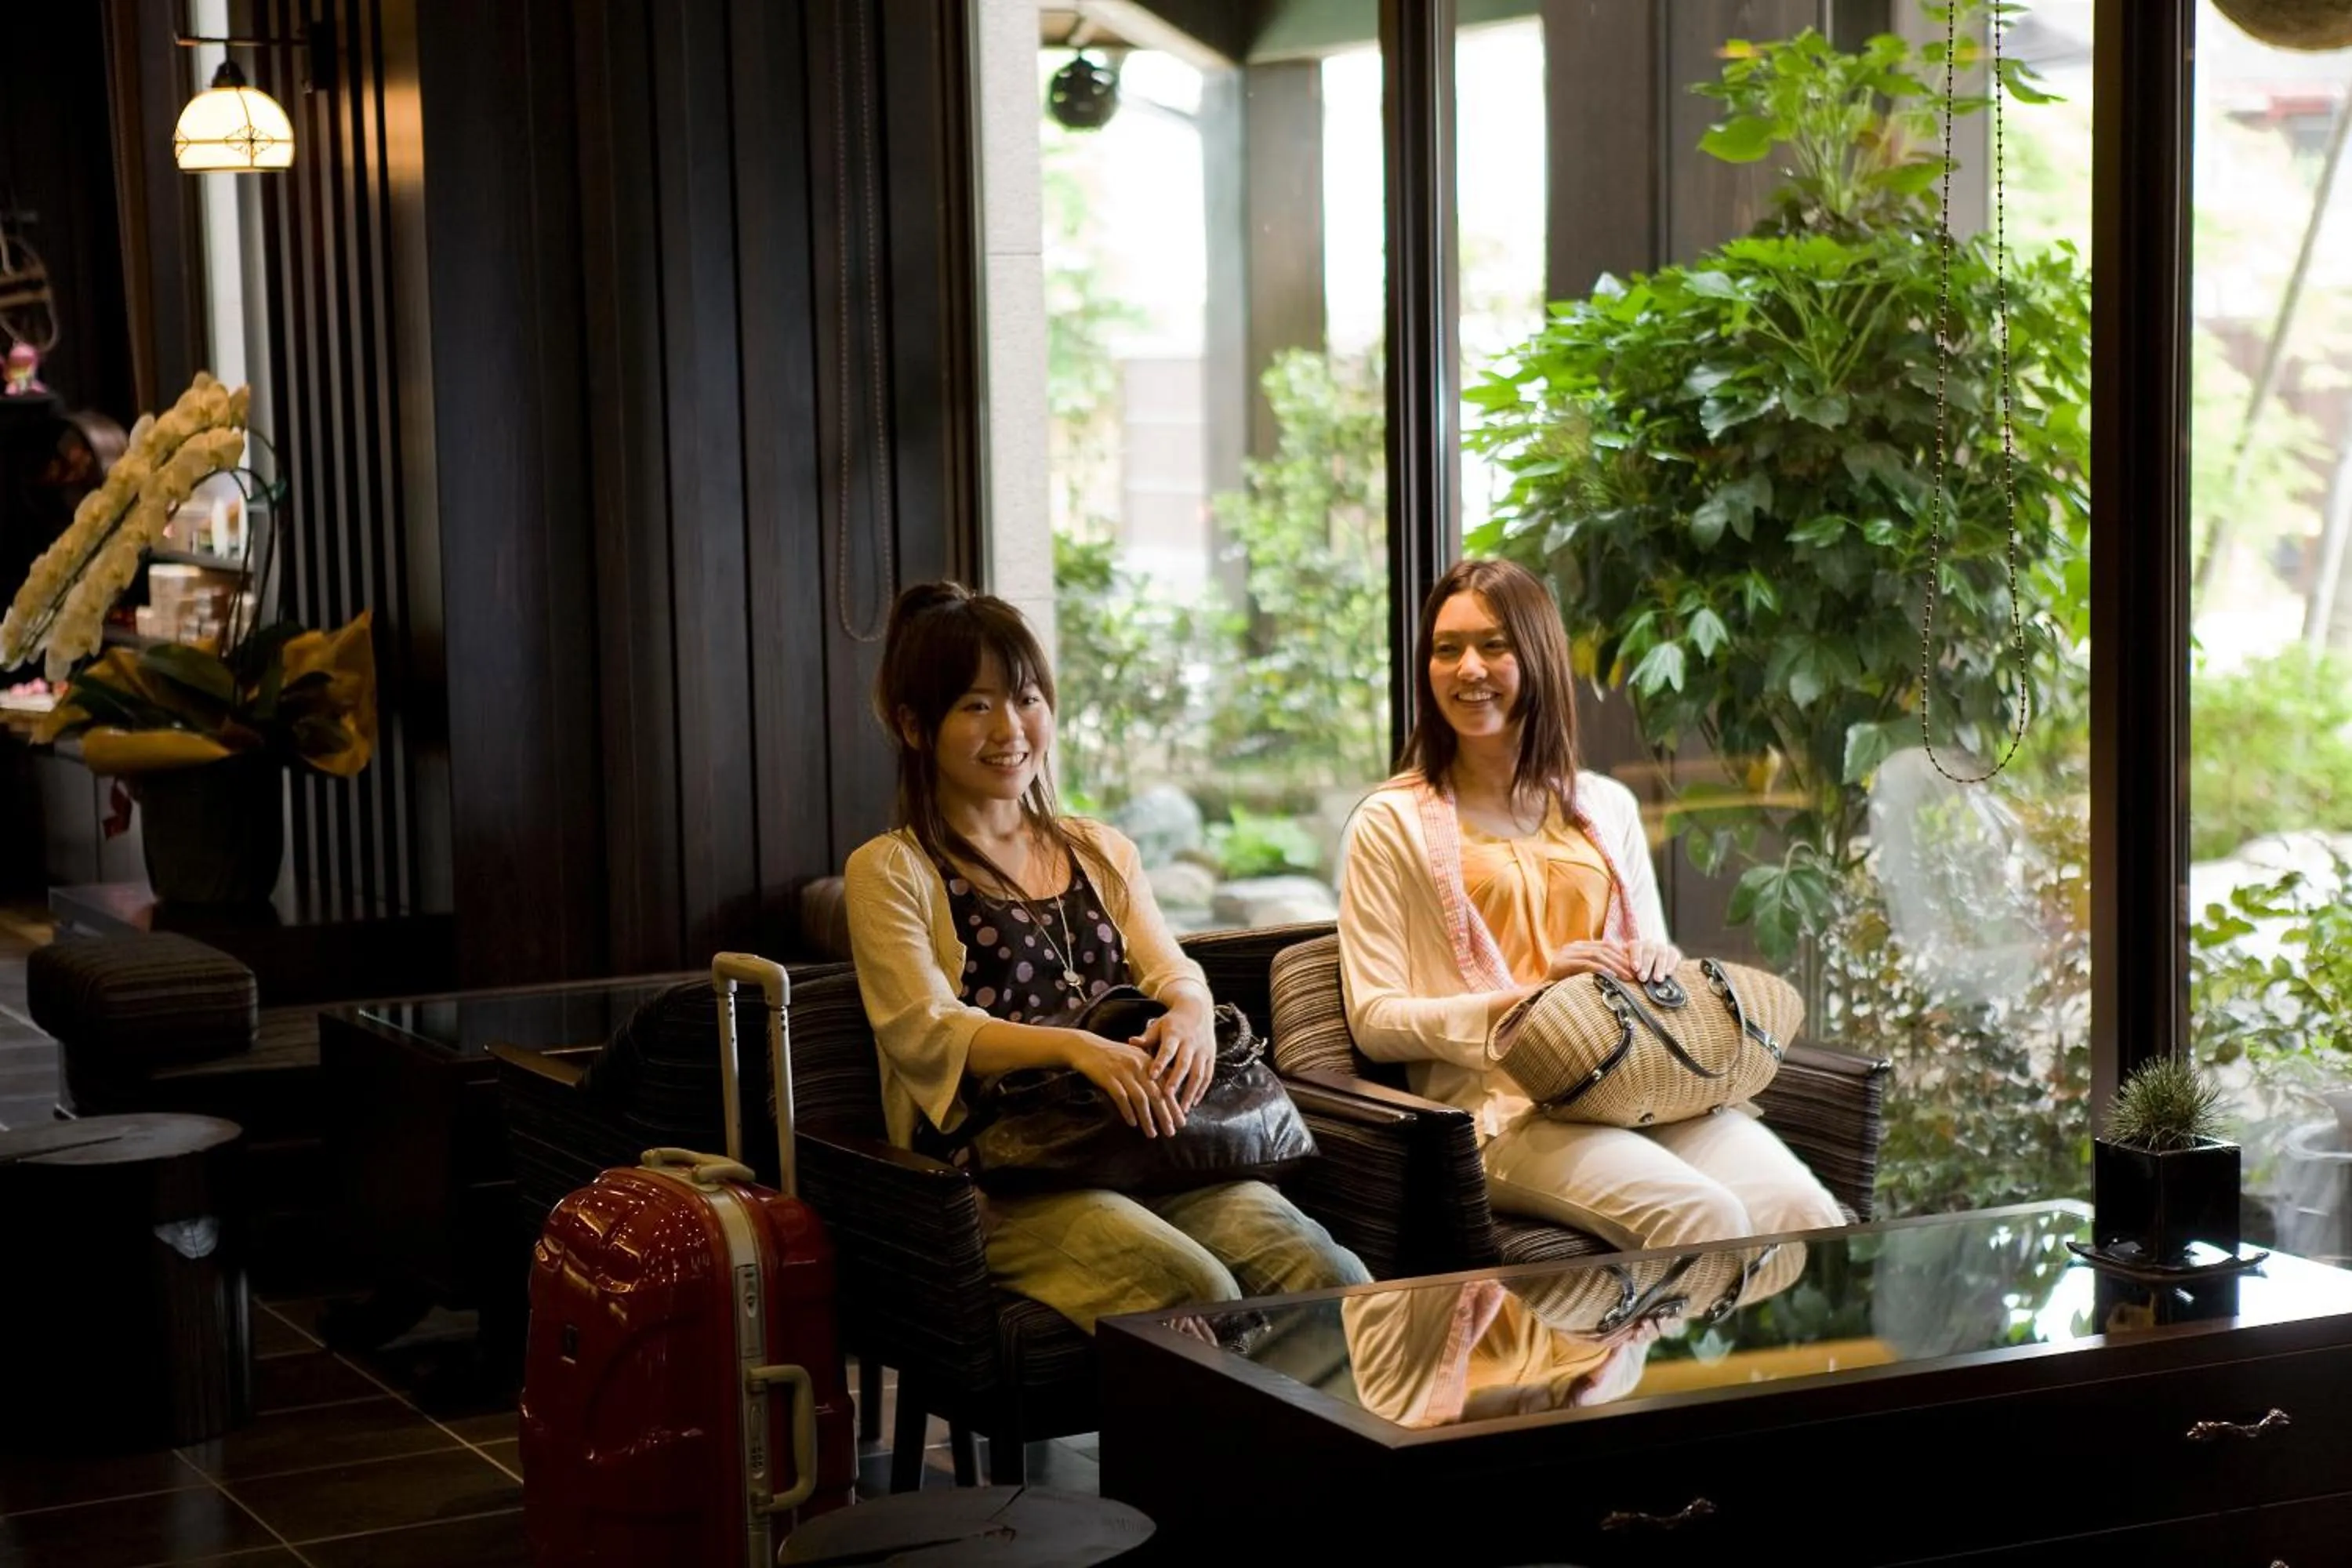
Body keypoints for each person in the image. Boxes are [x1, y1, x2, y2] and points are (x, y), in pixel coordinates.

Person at [845, 581, 1370, 1332]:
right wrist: (1079, 1049)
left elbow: (1171, 968)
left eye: (1027, 698)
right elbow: (925, 1027)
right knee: (1195, 1290)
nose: (1011, 727)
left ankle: (1314, 1451)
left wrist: (1189, 1011)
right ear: (914, 725)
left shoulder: (1098, 849)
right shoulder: (891, 869)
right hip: (1006, 1176)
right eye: (975, 705)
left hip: (1149, 1145)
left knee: (1331, 1276)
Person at [1335, 557, 1846, 1250]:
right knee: (1704, 1218)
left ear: (1538, 657)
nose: (1468, 669)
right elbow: (1374, 1021)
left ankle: (1765, 1363)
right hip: (1508, 1114)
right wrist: (1538, 1001)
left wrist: (1655, 962)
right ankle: (1662, 1357)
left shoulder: (1606, 804)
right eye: (1446, 650)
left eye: (1493, 645)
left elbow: (1660, 956)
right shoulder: (1387, 822)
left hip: (1643, 1083)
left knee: (1806, 1215)